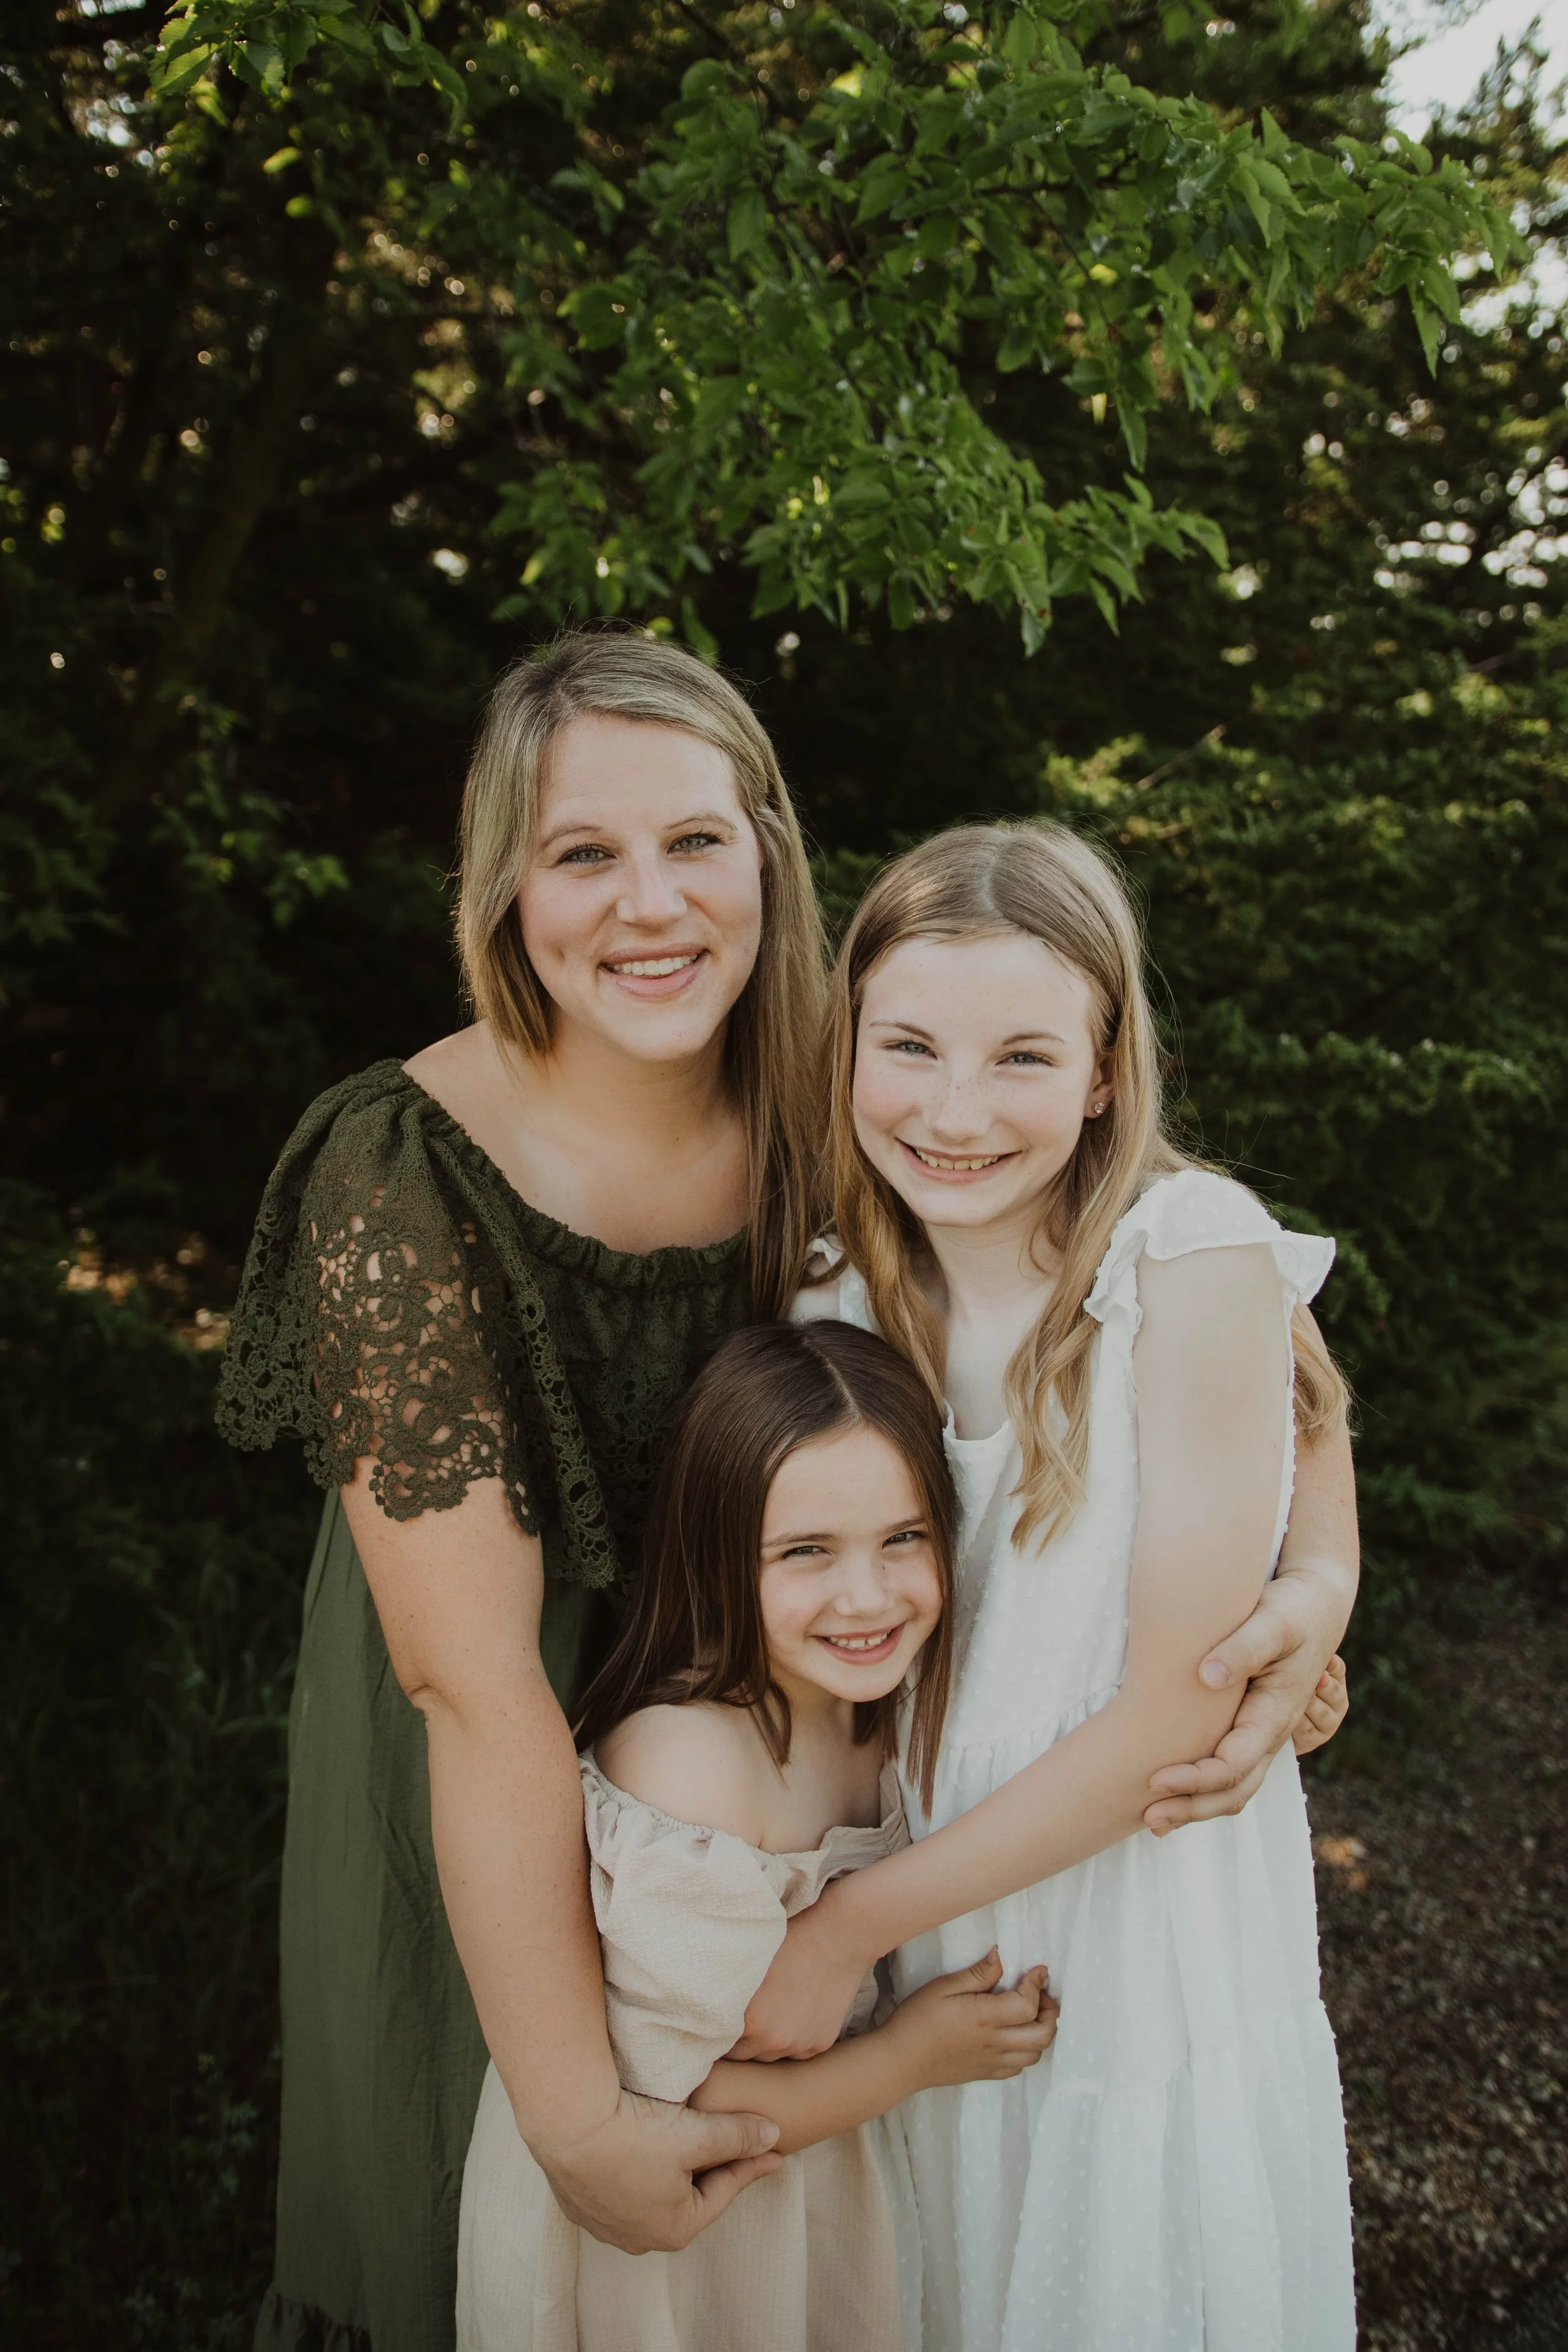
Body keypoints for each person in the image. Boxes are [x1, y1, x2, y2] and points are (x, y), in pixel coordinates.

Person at [218, 631, 1354, 2352]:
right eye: (580, 851)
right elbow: (469, 1676)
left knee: (820, 2265)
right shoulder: (402, 1169)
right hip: (506, 1771)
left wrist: (1315, 1579)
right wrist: (582, 2109)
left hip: (818, 1753)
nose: (648, 902)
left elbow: (1224, 1324)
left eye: (694, 839)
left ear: (769, 848)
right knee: (543, 2248)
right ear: (501, 887)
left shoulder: (853, 1107)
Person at [780, 820, 1358, 2351]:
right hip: (927, 1901)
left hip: (1136, 1912)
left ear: (1105, 1071)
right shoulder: (829, 1294)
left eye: (1022, 1059)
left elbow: (1174, 1710)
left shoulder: (1184, 1258)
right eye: (907, 1046)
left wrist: (837, 1934)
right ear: (846, 1052)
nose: (955, 1111)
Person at [458, 1318, 1058, 2351]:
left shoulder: (890, 1714)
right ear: (722, 1555)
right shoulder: (689, 1767)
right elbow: (669, 2112)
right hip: (666, 2262)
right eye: (807, 1552)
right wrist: (911, 2058)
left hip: (807, 2212)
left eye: (903, 1538)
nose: (866, 1595)